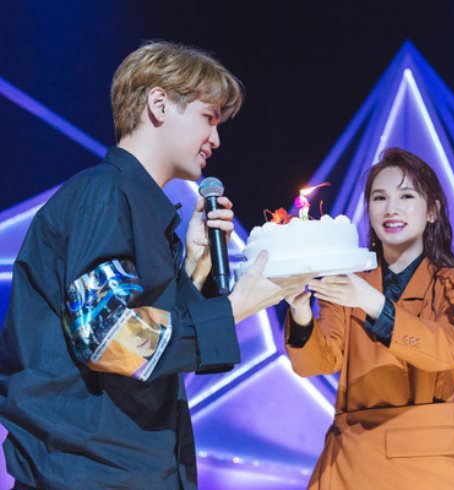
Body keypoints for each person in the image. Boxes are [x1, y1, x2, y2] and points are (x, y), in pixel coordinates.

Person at [0, 41, 300, 489]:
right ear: (158, 104)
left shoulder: (139, 208)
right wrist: (236, 307)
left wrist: (195, 267)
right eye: (208, 117)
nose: (216, 139)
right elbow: (109, 338)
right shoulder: (103, 196)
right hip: (87, 473)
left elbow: (155, 342)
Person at [285, 148, 454, 490]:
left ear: (433, 210)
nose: (391, 209)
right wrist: (300, 311)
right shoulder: (347, 282)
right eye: (379, 198)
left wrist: (373, 303)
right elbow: (316, 363)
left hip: (425, 467)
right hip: (349, 464)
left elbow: (447, 350)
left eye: (406, 196)